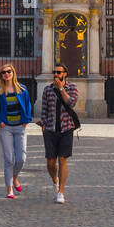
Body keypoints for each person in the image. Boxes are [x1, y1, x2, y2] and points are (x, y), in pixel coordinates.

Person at [0, 63, 34, 198]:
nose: (6, 74)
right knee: (9, 159)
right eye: (3, 72)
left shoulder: (22, 89)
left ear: (13, 72)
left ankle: (14, 177)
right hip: (6, 128)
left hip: (20, 127)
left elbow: (28, 105)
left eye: (9, 71)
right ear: (1, 76)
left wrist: (26, 121)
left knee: (21, 159)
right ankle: (9, 189)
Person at [38, 63, 79, 204]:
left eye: (59, 72)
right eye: (54, 72)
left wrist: (61, 88)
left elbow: (71, 103)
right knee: (50, 162)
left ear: (65, 74)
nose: (56, 74)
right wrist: (43, 123)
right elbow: (44, 109)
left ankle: (61, 192)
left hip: (66, 128)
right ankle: (55, 179)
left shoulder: (72, 88)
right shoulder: (47, 89)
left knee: (62, 159)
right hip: (50, 129)